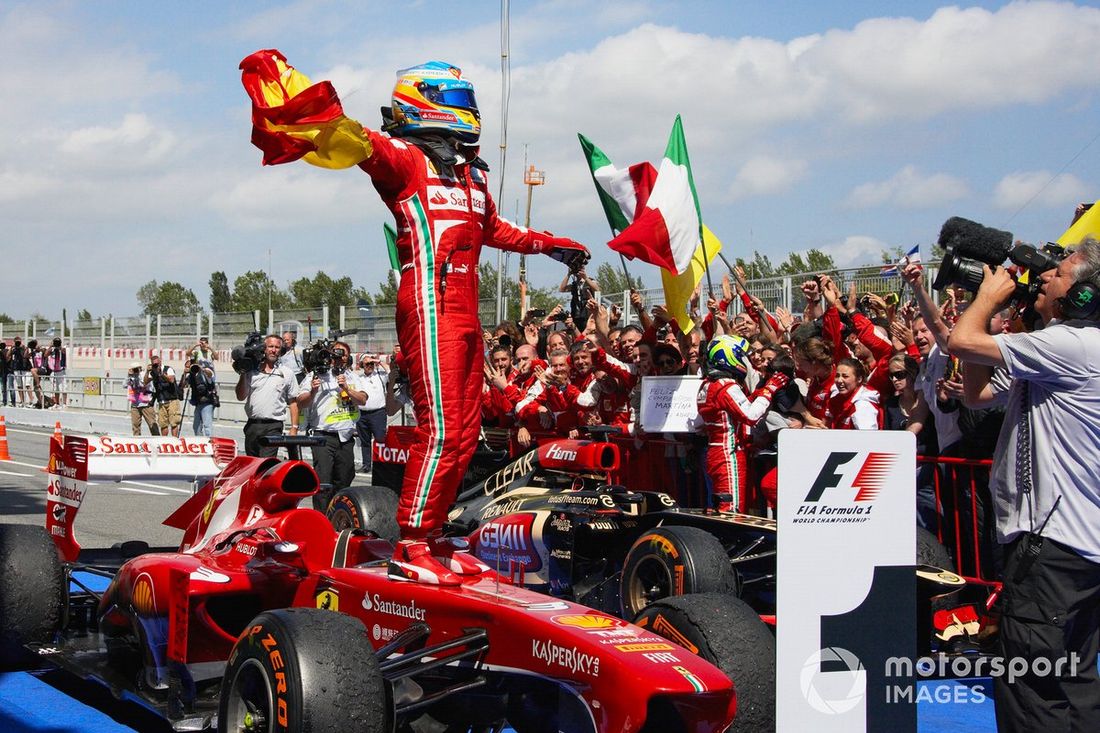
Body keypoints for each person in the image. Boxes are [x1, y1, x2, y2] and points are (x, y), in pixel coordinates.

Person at [337, 60, 589, 584]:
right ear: (425, 102)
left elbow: (500, 228)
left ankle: (432, 535)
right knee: (442, 429)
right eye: (457, 100)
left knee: (467, 433)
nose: (467, 112)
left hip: (467, 312)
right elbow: (355, 139)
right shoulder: (405, 161)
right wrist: (307, 107)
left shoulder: (472, 174)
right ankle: (410, 541)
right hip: (428, 303)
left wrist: (558, 247)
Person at [949, 238, 1100, 732]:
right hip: (1074, 546)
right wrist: (990, 323)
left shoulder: (1072, 345)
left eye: (1057, 274)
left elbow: (958, 342)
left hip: (1051, 546)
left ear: (1082, 295)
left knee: (1031, 685)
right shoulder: (1069, 347)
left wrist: (986, 300)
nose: (1044, 278)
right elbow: (975, 395)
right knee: (1070, 678)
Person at [697, 335, 789, 513]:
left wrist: (759, 393)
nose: (745, 361)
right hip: (728, 453)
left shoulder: (707, 384)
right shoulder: (726, 385)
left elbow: (737, 408)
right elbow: (751, 415)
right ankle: (726, 541)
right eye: (741, 356)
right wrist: (771, 388)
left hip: (716, 450)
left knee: (721, 503)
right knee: (731, 507)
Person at [297, 342, 366, 512]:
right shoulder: (317, 375)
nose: (338, 358)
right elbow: (300, 402)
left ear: (347, 358)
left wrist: (347, 389)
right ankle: (320, 518)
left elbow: (363, 399)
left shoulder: (352, 377)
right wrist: (313, 392)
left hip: (346, 436)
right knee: (323, 481)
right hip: (322, 436)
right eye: (334, 354)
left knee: (345, 478)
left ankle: (336, 513)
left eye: (342, 355)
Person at [235, 335, 303, 457]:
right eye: (270, 346)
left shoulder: (287, 373)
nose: (273, 350)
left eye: (277, 347)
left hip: (274, 426)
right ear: (264, 349)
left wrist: (294, 427)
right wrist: (243, 373)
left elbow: (293, 402)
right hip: (252, 425)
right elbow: (240, 396)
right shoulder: (251, 372)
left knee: (267, 464)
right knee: (253, 466)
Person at [355, 352, 389, 474]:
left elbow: (390, 371)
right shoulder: (358, 377)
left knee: (380, 439)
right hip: (362, 414)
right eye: (367, 364)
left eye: (371, 364)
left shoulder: (380, 375)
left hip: (378, 413)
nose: (369, 366)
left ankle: (381, 464)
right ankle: (366, 465)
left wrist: (377, 361)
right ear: (362, 365)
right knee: (364, 441)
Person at [144, 354, 182, 437]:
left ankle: (174, 441)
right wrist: (147, 371)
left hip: (172, 400)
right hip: (161, 401)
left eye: (157, 363)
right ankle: (164, 441)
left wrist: (161, 374)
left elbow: (171, 380)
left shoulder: (168, 369)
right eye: (154, 364)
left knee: (174, 422)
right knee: (163, 423)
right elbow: (145, 381)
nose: (156, 365)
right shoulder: (153, 372)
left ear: (160, 362)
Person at [182, 358, 218, 437]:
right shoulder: (191, 375)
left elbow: (210, 375)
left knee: (207, 426)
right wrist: (184, 374)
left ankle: (209, 443)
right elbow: (183, 386)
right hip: (198, 403)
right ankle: (200, 441)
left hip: (207, 402)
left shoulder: (205, 373)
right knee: (196, 426)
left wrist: (200, 368)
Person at [126, 363, 159, 436]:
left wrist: (137, 376)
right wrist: (129, 376)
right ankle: (137, 442)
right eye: (134, 369)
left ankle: (157, 439)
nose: (135, 370)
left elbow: (143, 384)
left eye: (136, 368)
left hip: (146, 403)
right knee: (135, 426)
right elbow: (125, 385)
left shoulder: (145, 374)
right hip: (135, 404)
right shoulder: (131, 377)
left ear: (140, 368)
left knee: (152, 424)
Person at [45, 337, 67, 409]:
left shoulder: (62, 349)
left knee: (63, 387)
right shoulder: (52, 350)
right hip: (53, 371)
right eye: (55, 342)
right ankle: (56, 403)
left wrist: (59, 346)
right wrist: (51, 346)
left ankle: (64, 403)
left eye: (57, 342)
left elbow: (63, 351)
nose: (56, 344)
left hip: (61, 371)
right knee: (55, 388)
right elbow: (45, 355)